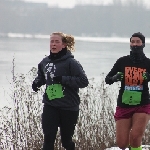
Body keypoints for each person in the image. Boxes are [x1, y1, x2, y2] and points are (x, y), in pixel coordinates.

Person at [32, 32, 89, 150]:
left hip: (68, 107)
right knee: (48, 139)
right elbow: (42, 77)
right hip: (50, 105)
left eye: (56, 42)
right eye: (51, 41)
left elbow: (84, 81)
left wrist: (63, 79)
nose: (53, 44)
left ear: (63, 45)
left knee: (66, 142)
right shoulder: (44, 62)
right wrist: (37, 82)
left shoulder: (71, 63)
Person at [105, 32, 150, 150]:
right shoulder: (122, 61)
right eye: (132, 42)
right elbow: (107, 79)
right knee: (122, 144)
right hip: (124, 104)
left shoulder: (148, 63)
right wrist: (115, 78)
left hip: (142, 103)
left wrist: (149, 77)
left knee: (135, 137)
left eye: (138, 42)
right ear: (130, 44)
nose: (135, 44)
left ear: (143, 44)